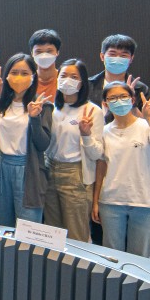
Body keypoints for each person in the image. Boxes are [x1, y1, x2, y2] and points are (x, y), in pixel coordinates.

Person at [91, 82, 150, 257]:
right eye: (112, 98)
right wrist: (96, 201)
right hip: (111, 201)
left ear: (132, 99)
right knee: (112, 257)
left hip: (145, 202)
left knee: (139, 257)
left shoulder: (145, 126)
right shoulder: (103, 131)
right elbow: (101, 168)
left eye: (123, 97)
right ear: (105, 104)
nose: (118, 101)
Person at [0, 54, 53, 226]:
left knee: (28, 227)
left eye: (24, 73)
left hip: (28, 169)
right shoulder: (0, 104)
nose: (19, 78)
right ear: (6, 75)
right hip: (2, 167)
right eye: (14, 72)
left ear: (33, 76)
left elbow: (43, 144)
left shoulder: (42, 105)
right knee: (4, 226)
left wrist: (35, 118)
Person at [42, 59, 104, 242]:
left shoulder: (93, 111)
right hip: (50, 171)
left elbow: (97, 154)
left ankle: (76, 271)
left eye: (74, 77)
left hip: (75, 175)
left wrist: (86, 135)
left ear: (82, 82)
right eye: (63, 76)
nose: (67, 80)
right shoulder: (52, 109)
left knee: (76, 235)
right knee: (52, 234)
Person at [86, 34, 150, 111]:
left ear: (131, 59)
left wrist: (131, 102)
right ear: (102, 56)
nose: (117, 58)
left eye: (123, 55)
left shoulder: (140, 89)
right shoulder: (87, 85)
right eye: (112, 54)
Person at [29, 29, 62, 102]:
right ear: (32, 53)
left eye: (49, 51)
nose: (44, 56)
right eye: (38, 52)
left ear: (57, 52)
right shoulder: (27, 82)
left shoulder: (65, 80)